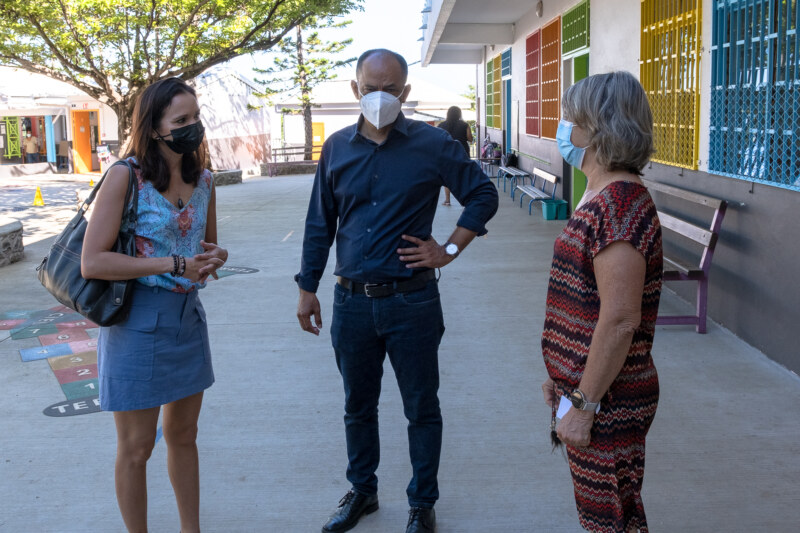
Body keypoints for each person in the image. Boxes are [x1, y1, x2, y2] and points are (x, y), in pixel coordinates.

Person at [295, 49, 498, 533]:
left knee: (421, 408)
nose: (380, 97)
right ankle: (362, 491)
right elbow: (320, 222)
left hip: (412, 302)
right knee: (357, 406)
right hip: (351, 302)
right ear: (355, 89)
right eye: (370, 89)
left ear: (405, 92)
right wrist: (307, 286)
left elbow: (483, 194)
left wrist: (448, 248)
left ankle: (422, 502)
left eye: (390, 89)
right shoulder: (337, 148)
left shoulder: (433, 144)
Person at [81, 77, 227, 533]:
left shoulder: (205, 180)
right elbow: (92, 261)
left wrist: (214, 258)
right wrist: (173, 263)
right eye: (180, 120)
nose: (192, 127)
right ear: (154, 127)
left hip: (187, 320)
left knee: (184, 435)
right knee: (137, 446)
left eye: (195, 118)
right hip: (137, 321)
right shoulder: (126, 176)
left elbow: (208, 247)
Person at [540, 71, 662, 533]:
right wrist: (562, 376)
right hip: (588, 389)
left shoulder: (620, 206)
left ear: (595, 128)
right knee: (602, 514)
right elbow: (586, 300)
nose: (564, 127)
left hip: (609, 398)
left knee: (612, 518)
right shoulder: (601, 195)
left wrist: (584, 403)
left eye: (569, 118)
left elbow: (620, 319)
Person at [437, 106, 473, 206]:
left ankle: (447, 200)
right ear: (459, 114)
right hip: (462, 152)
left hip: (447, 153)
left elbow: (437, 139)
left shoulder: (441, 125)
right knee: (464, 176)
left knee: (447, 177)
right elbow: (470, 139)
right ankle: (466, 200)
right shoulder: (465, 125)